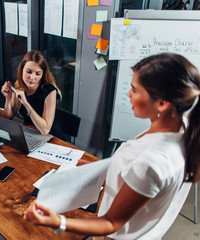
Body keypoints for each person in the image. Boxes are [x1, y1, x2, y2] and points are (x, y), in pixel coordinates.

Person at [23, 53, 200, 239]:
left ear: (162, 104)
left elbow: (111, 223)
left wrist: (58, 222)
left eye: (135, 89)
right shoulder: (181, 130)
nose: (128, 94)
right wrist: (101, 169)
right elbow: (136, 170)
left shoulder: (153, 162)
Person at [1, 50, 62, 137]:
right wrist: (8, 98)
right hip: (32, 133)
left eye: (38, 74)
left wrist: (26, 104)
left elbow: (45, 130)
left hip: (53, 138)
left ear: (42, 74)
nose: (32, 77)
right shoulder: (19, 85)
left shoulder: (50, 91)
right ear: (22, 70)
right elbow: (8, 116)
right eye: (29, 72)